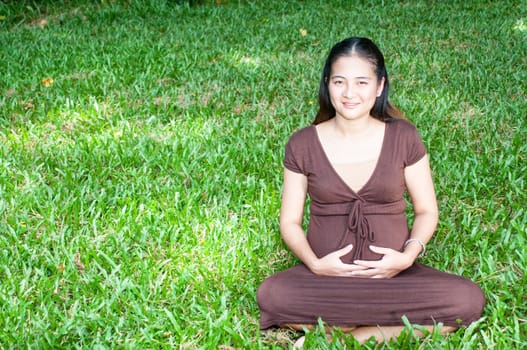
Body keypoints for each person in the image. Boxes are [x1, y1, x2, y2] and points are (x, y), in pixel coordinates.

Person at [257, 37, 485, 347]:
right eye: (340, 81)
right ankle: (362, 321)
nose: (350, 93)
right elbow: (290, 222)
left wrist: (406, 258)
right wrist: (315, 264)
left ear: (379, 86)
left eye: (361, 82)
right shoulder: (302, 144)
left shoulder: (403, 136)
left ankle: (355, 336)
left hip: (393, 279)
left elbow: (427, 211)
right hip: (326, 280)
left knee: (467, 300)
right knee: (272, 295)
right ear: (327, 85)